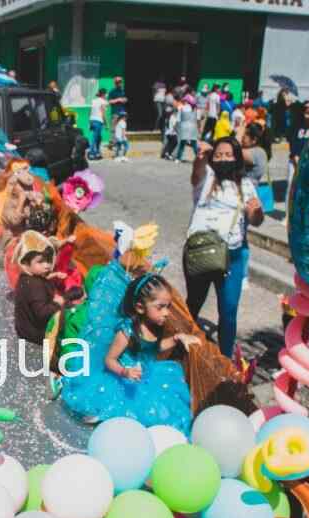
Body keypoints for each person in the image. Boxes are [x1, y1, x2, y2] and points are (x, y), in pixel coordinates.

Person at [61, 273, 198, 432]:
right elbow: (109, 360)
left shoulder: (155, 326)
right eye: (160, 307)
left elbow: (154, 347)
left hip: (145, 375)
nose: (166, 313)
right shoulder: (127, 332)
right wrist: (125, 372)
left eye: (168, 306)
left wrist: (176, 338)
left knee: (161, 408)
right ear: (140, 307)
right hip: (122, 378)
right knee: (122, 411)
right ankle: (102, 414)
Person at [186, 137, 264, 357]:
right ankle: (181, 350)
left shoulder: (246, 185)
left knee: (228, 312)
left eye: (228, 155)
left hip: (232, 256)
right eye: (218, 155)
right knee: (193, 304)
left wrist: (256, 211)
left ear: (237, 158)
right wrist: (200, 158)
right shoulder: (206, 178)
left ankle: (225, 360)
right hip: (200, 252)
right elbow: (196, 172)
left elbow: (255, 220)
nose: (223, 159)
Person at [13, 232, 62, 344]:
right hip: (37, 333)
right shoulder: (35, 286)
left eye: (48, 260)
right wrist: (57, 303)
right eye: (40, 261)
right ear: (25, 263)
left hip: (24, 328)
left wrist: (52, 277)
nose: (47, 265)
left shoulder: (26, 278)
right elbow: (42, 314)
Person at [288, 99, 309, 205]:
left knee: (308, 189)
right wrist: (296, 158)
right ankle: (288, 211)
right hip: (295, 161)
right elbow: (293, 143)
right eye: (307, 112)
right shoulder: (296, 126)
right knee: (291, 187)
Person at [175, 96, 199, 162]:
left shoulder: (181, 108)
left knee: (182, 143)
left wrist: (176, 127)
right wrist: (199, 128)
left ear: (186, 101)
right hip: (193, 127)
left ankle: (178, 158)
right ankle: (199, 158)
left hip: (184, 127)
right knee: (194, 144)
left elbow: (178, 119)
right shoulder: (195, 109)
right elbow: (198, 119)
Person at [107, 77, 127, 152]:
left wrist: (124, 100)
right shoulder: (112, 92)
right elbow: (109, 101)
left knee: (122, 128)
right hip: (115, 112)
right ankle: (112, 144)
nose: (119, 83)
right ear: (115, 83)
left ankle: (120, 143)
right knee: (113, 128)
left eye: (120, 82)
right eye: (118, 82)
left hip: (122, 112)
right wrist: (118, 100)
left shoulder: (122, 91)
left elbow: (125, 99)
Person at [88, 89, 107, 161]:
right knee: (95, 138)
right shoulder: (103, 102)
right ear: (103, 94)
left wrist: (90, 122)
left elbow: (90, 111)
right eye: (106, 94)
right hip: (98, 121)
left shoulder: (93, 101)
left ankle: (97, 152)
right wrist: (106, 123)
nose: (106, 95)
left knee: (98, 137)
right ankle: (92, 153)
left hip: (92, 120)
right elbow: (103, 113)